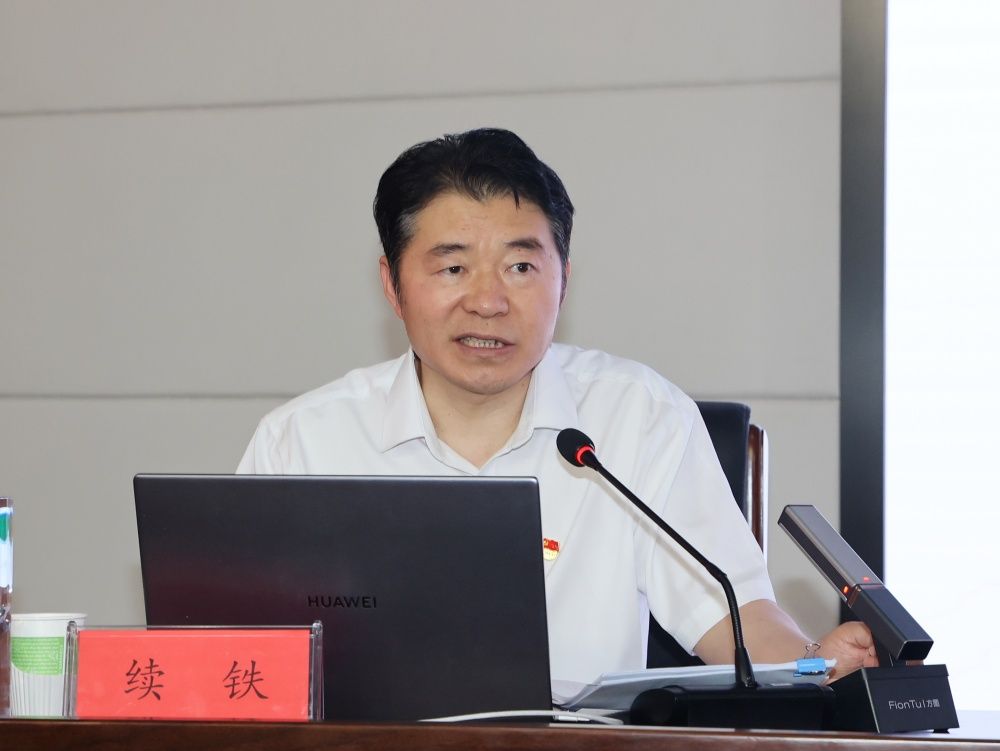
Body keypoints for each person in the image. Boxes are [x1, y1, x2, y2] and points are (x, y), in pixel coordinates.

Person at [238, 127, 877, 684]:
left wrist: (814, 664)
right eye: (453, 269)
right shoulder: (303, 442)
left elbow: (736, 621)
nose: (488, 302)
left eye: (520, 267)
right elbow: (238, 657)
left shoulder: (638, 418)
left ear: (564, 280)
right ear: (392, 284)